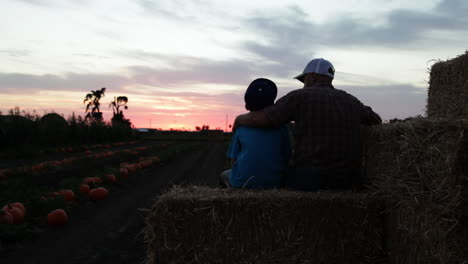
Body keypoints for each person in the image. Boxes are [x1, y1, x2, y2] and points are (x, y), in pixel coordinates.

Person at [233, 58, 382, 191]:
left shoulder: (299, 97)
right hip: (349, 180)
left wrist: (239, 120)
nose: (304, 84)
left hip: (309, 179)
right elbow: (376, 120)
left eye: (304, 80)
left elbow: (262, 119)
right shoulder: (352, 101)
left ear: (312, 77)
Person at [220, 78, 291, 189]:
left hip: (243, 183)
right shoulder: (282, 128)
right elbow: (287, 157)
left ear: (247, 104)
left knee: (223, 175)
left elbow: (233, 160)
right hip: (275, 183)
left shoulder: (241, 127)